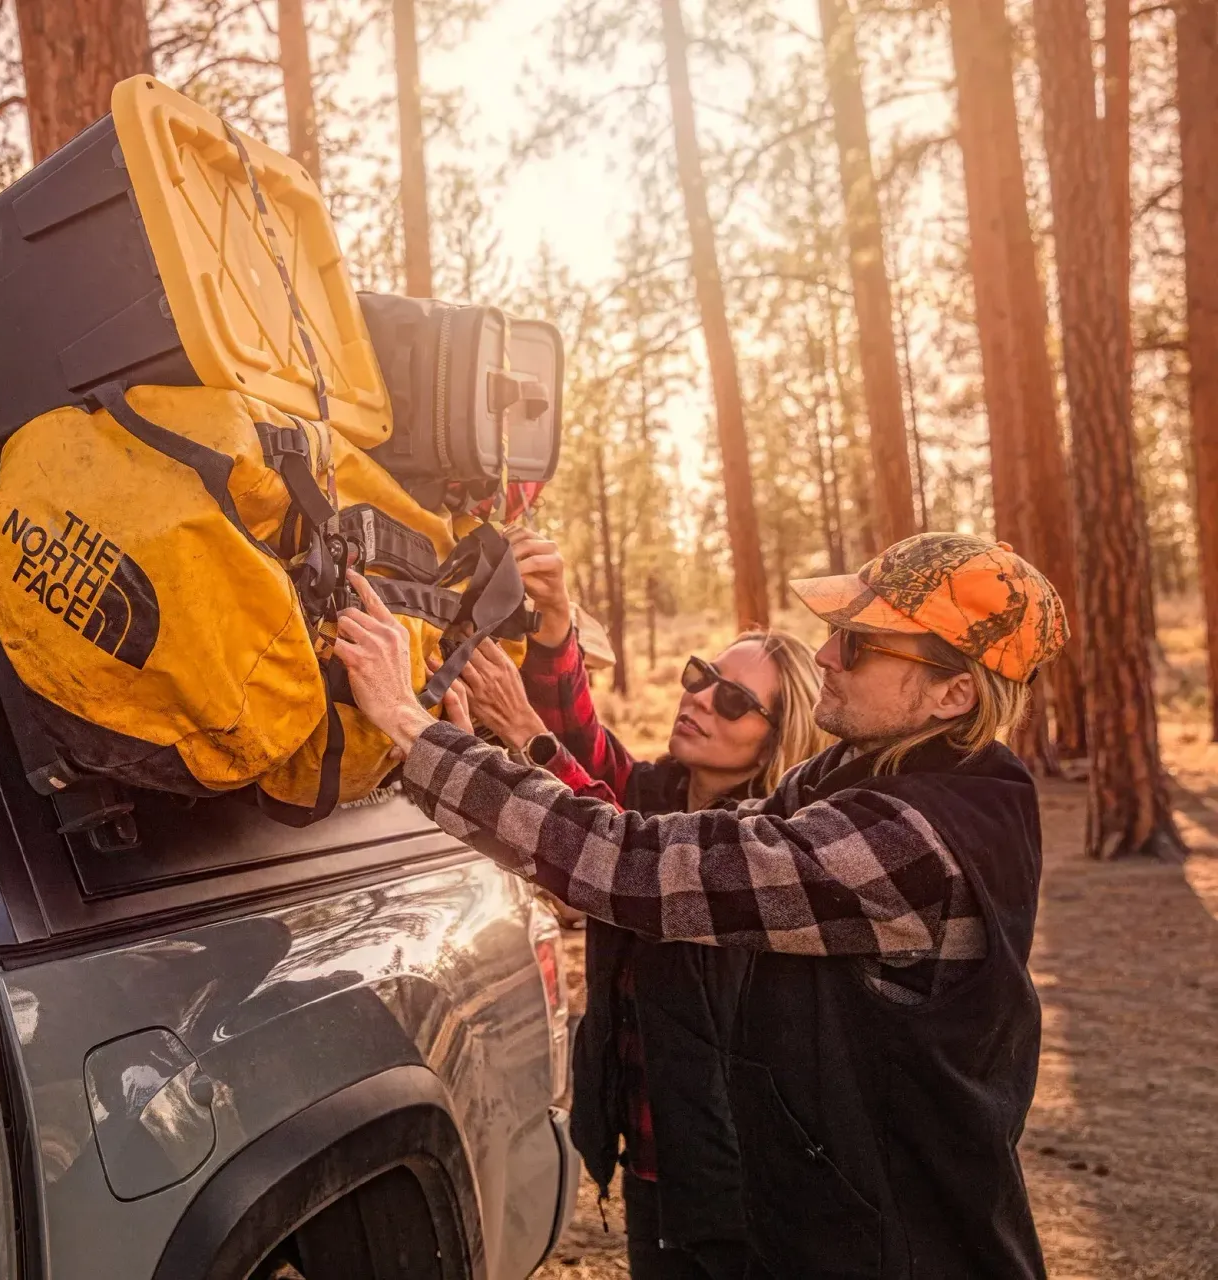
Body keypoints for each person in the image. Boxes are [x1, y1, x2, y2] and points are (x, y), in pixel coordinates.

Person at [345, 532, 1065, 1279]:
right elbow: (647, 831)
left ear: (954, 694)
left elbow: (638, 869)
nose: (825, 655)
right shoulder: (853, 777)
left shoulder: (910, 840)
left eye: (858, 645)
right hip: (829, 1230)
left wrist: (409, 727)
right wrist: (498, 749)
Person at [449, 529, 825, 1279]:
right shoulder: (657, 793)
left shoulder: (770, 847)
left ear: (775, 740)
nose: (700, 699)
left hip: (739, 1170)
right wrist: (554, 621)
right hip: (652, 1148)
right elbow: (585, 752)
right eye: (700, 674)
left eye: (734, 699)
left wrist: (525, 734)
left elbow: (622, 849)